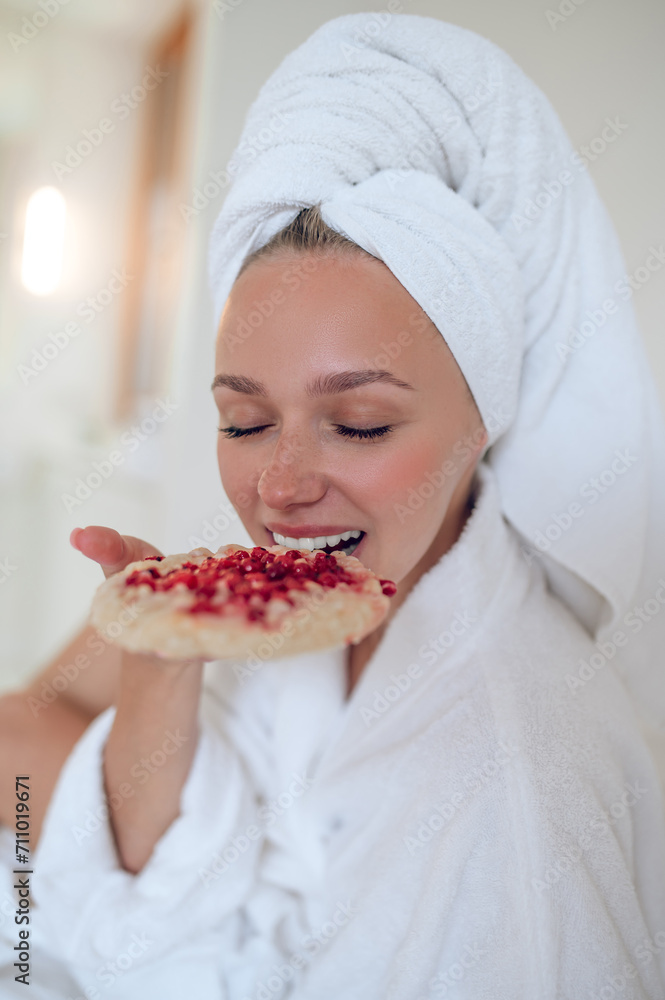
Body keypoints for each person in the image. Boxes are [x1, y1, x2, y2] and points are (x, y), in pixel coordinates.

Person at [2, 12, 665, 999]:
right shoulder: (272, 599)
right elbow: (31, 756)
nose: (280, 486)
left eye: (357, 424)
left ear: (481, 422)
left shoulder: (523, 802)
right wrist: (159, 661)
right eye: (243, 422)